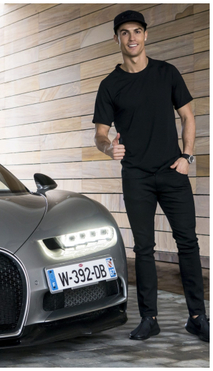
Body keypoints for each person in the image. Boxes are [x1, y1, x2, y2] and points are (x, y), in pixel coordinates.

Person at [93, 10, 208, 342]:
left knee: (188, 243)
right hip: (136, 178)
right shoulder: (110, 85)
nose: (132, 38)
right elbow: (101, 134)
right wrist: (107, 148)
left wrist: (186, 156)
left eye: (138, 31)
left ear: (146, 35)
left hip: (172, 172)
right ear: (116, 38)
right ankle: (149, 318)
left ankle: (198, 317)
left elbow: (188, 115)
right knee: (143, 248)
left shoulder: (166, 73)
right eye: (125, 33)